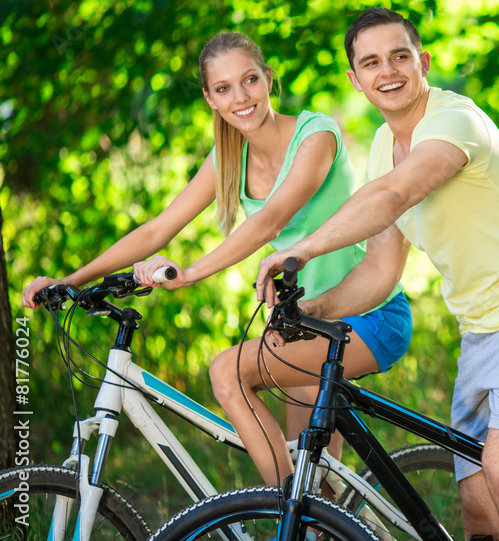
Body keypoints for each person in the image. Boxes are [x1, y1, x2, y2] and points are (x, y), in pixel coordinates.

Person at [256, 8, 499, 540]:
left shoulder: (452, 119)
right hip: (481, 329)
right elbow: (381, 267)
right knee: (478, 503)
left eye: (400, 56)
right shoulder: (380, 147)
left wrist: (300, 251)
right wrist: (314, 310)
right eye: (371, 62)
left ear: (424, 61)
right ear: (355, 79)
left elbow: (397, 193)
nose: (388, 70)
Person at [21, 31, 412, 488]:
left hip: (369, 314)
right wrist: (69, 280)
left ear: (268, 79)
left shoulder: (316, 134)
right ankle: (310, 522)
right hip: (302, 322)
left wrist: (189, 275)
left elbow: (269, 222)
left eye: (249, 80)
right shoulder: (229, 157)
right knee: (317, 483)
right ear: (209, 98)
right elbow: (158, 229)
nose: (240, 97)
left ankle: (289, 516)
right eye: (223, 88)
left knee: (227, 371)